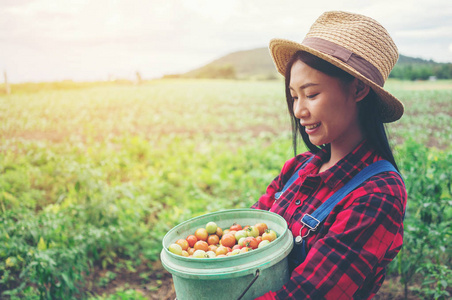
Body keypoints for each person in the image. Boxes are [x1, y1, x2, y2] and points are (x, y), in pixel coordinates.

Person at [252, 11, 407, 300]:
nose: (298, 111)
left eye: (311, 95)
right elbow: (251, 231)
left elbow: (308, 294)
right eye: (294, 96)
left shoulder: (378, 193)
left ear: (359, 88)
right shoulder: (297, 169)